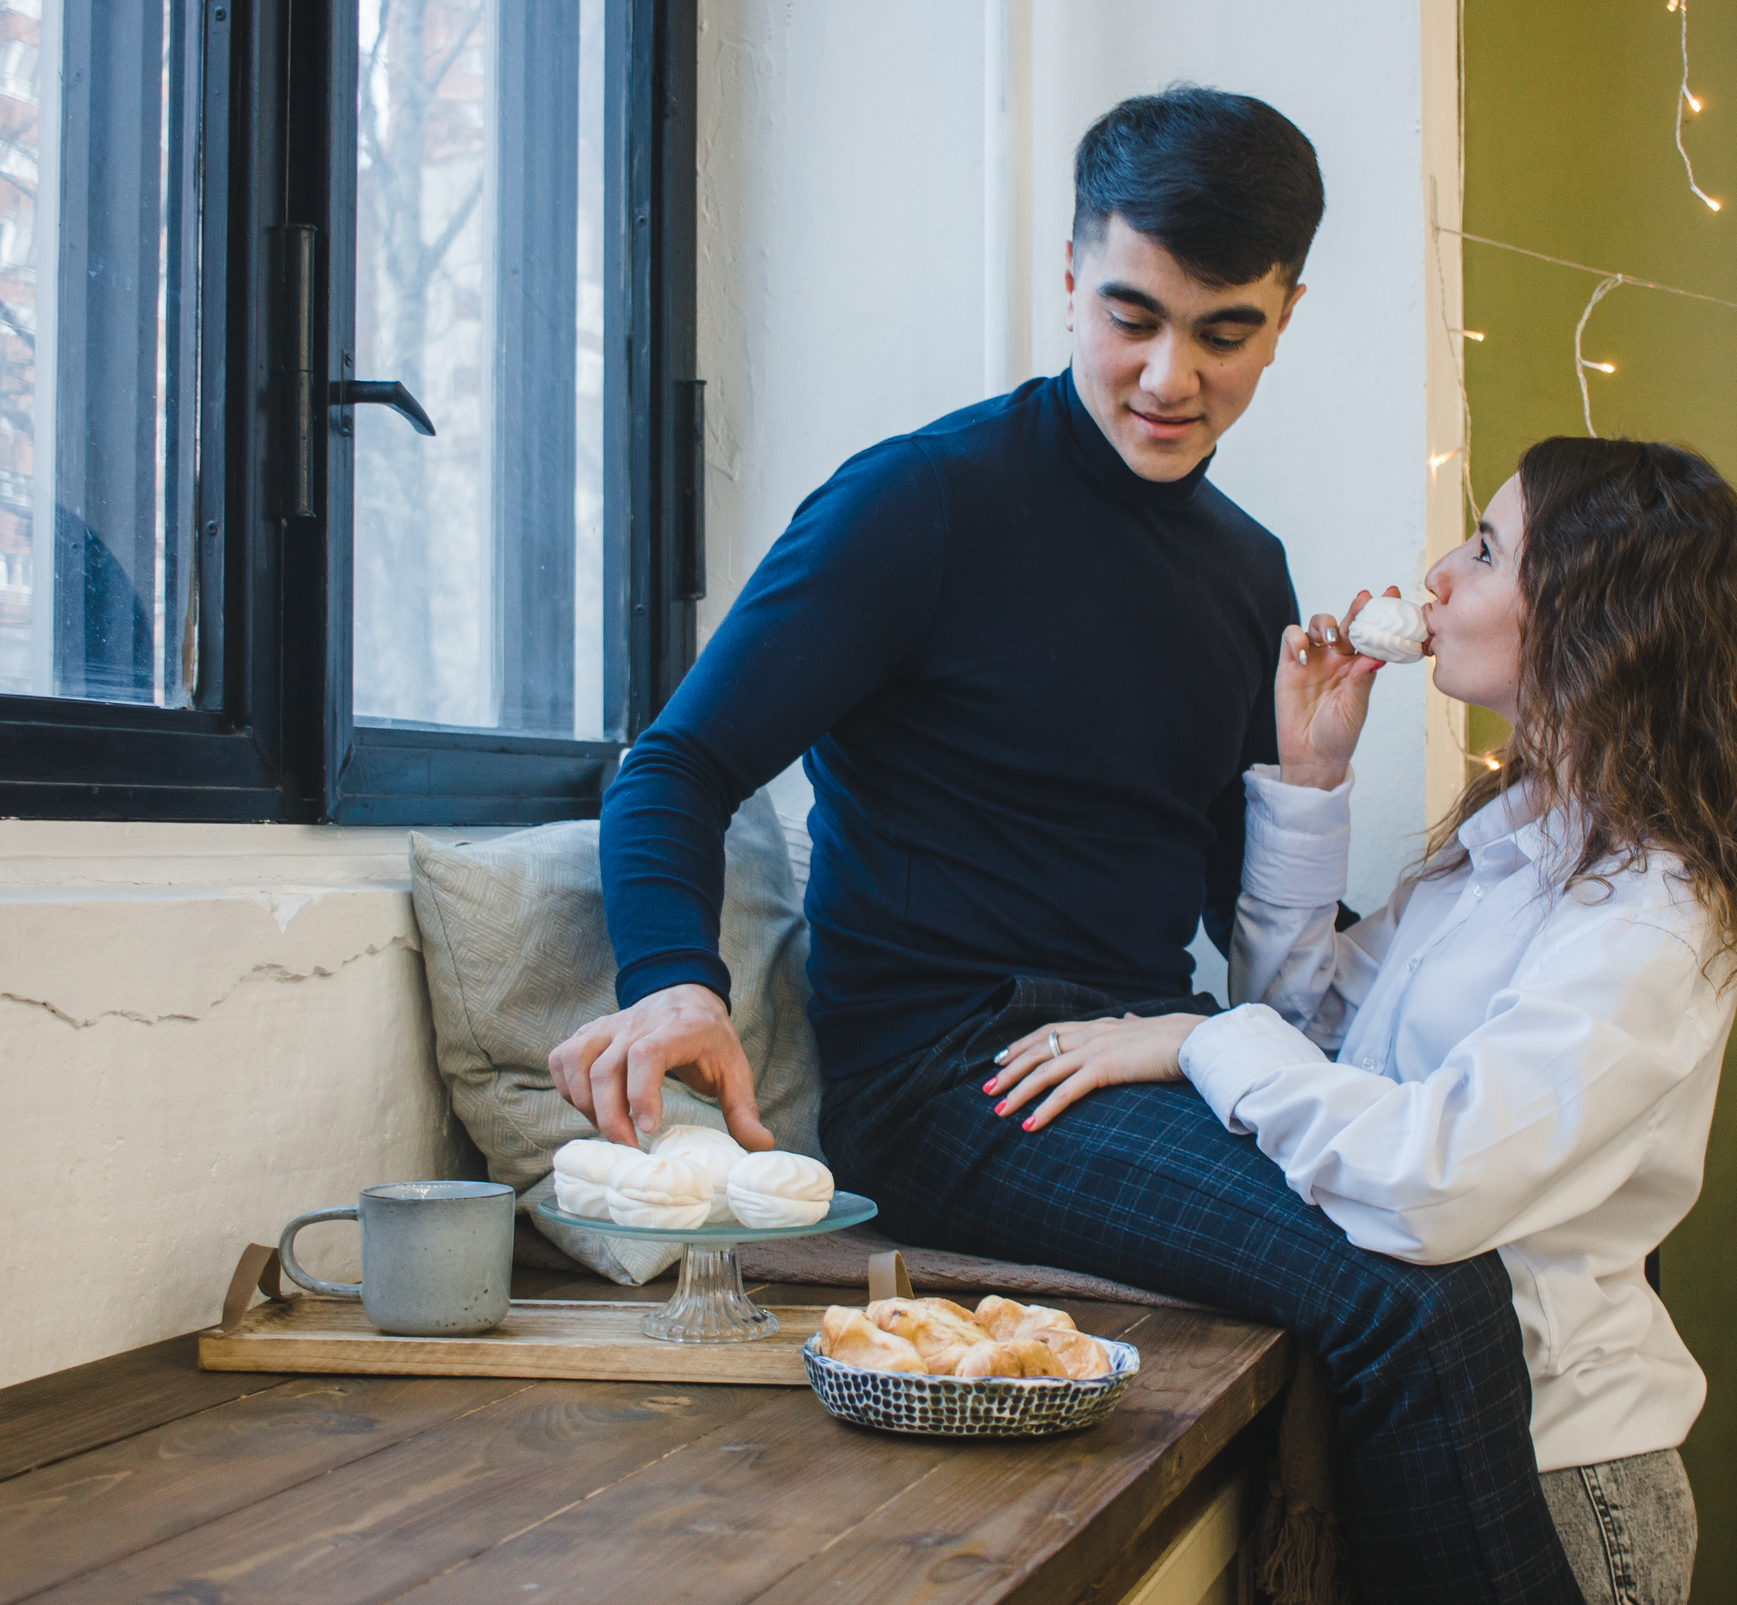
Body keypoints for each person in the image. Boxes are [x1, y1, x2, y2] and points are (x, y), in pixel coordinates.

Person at [552, 85, 1587, 1602]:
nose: (1170, 374)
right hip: (953, 1077)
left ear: (1285, 316)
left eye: (1223, 331)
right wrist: (673, 976)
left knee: (1451, 1238)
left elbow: (1261, 932)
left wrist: (1311, 783)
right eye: (1130, 314)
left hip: (1155, 1048)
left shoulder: (1249, 572)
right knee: (1415, 1300)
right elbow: (677, 764)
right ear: (1068, 276)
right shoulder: (919, 503)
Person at [985, 438, 1737, 1604]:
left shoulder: (1656, 915)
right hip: (1437, 1439)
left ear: (1598, 618)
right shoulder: (1509, 845)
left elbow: (1432, 1182)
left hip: (1559, 1479)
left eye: (1488, 548)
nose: (1438, 576)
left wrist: (1190, 1040)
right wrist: (1310, 780)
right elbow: (1309, 1029)